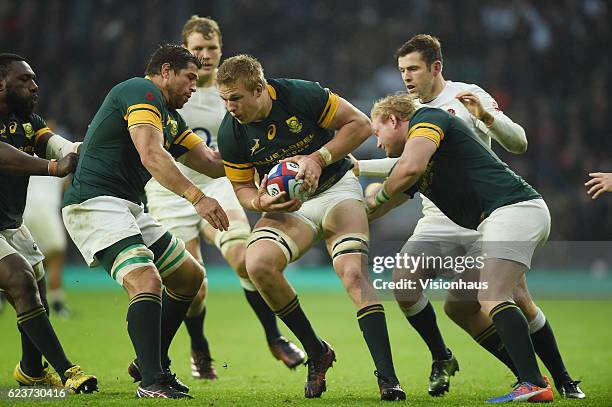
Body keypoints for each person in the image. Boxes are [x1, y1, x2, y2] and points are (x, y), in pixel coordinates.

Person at [355, 34, 584, 399]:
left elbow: (517, 143)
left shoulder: (456, 101)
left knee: (508, 297)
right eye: (402, 70)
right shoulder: (414, 115)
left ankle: (559, 379)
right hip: (448, 214)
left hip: (497, 211)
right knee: (448, 300)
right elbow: (407, 168)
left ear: (436, 67)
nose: (407, 77)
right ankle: (486, 367)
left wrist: (487, 116)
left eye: (413, 68)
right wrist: (360, 178)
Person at [215, 54, 405, 401]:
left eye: (236, 98)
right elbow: (242, 189)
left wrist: (318, 158)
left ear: (259, 89)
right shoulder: (231, 132)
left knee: (352, 273)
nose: (230, 107)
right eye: (224, 99)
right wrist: (260, 203)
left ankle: (388, 378)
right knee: (257, 264)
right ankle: (316, 352)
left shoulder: (299, 94)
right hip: (291, 209)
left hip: (336, 188)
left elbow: (359, 125)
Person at [61, 44, 229, 399]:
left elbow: (212, 163)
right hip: (94, 202)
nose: (193, 87)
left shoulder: (169, 116)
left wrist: (262, 156)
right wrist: (197, 197)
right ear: (165, 71)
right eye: (189, 78)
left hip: (127, 206)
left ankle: (149, 361)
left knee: (190, 276)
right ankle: (152, 381)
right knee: (145, 278)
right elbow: (150, 153)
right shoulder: (141, 91)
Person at [366, 92, 556, 403]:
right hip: (502, 217)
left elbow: (406, 172)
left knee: (495, 295)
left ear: (392, 120)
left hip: (513, 210)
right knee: (460, 303)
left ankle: (535, 381)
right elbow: (392, 187)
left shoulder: (427, 119)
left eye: (377, 133)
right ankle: (534, 380)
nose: (377, 143)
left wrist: (378, 195)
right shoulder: (430, 157)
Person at [145, 16, 304, 380]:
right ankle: (199, 348)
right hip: (172, 192)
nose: (204, 56)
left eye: (211, 48)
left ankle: (274, 337)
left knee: (243, 257)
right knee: (194, 287)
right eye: (197, 49)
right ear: (185, 50)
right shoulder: (168, 93)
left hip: (221, 184)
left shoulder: (230, 88)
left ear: (221, 48)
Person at [0, 53, 97, 393]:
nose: (34, 86)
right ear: (1, 84)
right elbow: (4, 155)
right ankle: (69, 370)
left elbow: (56, 145)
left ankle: (31, 370)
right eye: (25, 80)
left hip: (9, 224)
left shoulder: (28, 122)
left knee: (36, 288)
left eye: (34, 79)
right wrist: (53, 168)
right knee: (19, 277)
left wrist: (88, 148)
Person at [24, 173, 71, 318]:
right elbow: (66, 186)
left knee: (25, 259)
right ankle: (57, 304)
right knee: (56, 255)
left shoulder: (23, 154)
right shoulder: (58, 155)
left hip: (24, 210)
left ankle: (7, 298)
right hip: (46, 209)